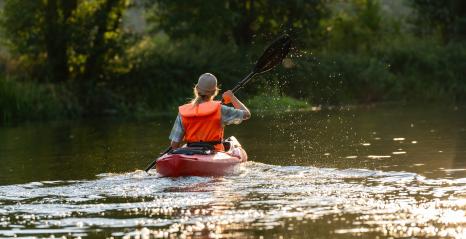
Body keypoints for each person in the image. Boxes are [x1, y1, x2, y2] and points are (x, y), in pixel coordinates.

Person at [169, 73, 251, 151]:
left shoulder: (183, 112)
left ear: (197, 89)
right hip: (215, 153)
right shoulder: (220, 109)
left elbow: (174, 145)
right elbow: (247, 114)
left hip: (191, 151)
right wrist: (232, 98)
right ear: (215, 91)